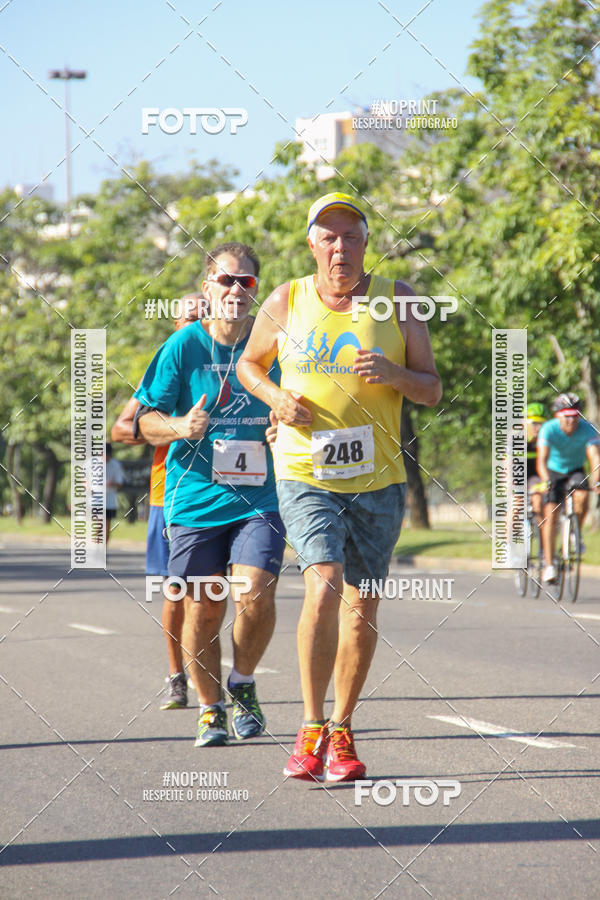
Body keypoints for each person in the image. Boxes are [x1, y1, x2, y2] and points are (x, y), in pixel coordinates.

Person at [237, 192, 442, 782]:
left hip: (378, 479)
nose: (340, 247)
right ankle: (309, 724)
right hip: (306, 472)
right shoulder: (286, 299)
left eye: (351, 236)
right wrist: (276, 397)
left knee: (362, 606)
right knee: (324, 584)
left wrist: (396, 374)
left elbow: (431, 388)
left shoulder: (400, 300)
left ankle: (343, 729)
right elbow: (249, 364)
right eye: (328, 236)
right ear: (312, 244)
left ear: (365, 244)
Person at [134, 243, 285, 747]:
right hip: (194, 498)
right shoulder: (183, 347)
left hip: (258, 499)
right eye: (226, 281)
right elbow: (142, 422)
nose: (236, 290)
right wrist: (180, 426)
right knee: (205, 607)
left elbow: (293, 406)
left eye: (247, 282)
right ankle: (209, 707)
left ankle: (241, 684)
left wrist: (281, 426)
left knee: (256, 592)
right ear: (208, 289)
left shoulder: (272, 347)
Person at [111, 293, 203, 710]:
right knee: (176, 589)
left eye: (200, 315)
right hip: (171, 492)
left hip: (228, 490)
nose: (193, 322)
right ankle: (176, 675)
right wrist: (171, 427)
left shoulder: (226, 361)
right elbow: (121, 428)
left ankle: (221, 675)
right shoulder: (167, 364)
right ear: (174, 324)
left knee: (224, 590)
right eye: (186, 317)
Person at [537, 392, 600, 583]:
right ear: (557, 415)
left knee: (582, 496)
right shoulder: (548, 429)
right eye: (567, 416)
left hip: (575, 469)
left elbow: (595, 457)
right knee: (551, 514)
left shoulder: (587, 429)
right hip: (553, 470)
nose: (571, 420)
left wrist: (597, 479)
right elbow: (541, 460)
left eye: (575, 416)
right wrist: (546, 480)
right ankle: (549, 565)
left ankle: (575, 533)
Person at [526, 402, 547, 521]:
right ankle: (507, 539)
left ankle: (541, 536)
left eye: (542, 424)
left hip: (535, 476)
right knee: (516, 505)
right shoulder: (513, 438)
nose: (538, 428)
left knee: (538, 500)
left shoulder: (545, 440)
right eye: (535, 423)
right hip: (515, 475)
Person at [105, 443, 125, 546]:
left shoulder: (115, 465)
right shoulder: (91, 463)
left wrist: (111, 483)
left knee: (107, 527)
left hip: (109, 501)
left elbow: (119, 482)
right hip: (94, 500)